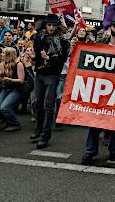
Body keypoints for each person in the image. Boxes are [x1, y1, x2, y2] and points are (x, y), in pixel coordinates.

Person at [81, 20, 115, 165]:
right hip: (99, 88)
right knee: (94, 121)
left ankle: (113, 151)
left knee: (113, 122)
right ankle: (90, 151)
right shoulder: (101, 42)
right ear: (110, 28)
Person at [30, 14, 70, 149]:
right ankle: (39, 129)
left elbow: (62, 61)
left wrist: (48, 58)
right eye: (49, 25)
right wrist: (34, 57)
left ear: (58, 26)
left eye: (54, 25)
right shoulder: (38, 38)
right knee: (36, 103)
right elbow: (36, 56)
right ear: (45, 25)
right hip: (40, 73)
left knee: (48, 105)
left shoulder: (64, 41)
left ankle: (45, 135)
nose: (51, 28)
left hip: (53, 75)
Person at [0, 47, 25, 132]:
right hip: (6, 88)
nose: (1, 54)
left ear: (9, 55)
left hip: (16, 89)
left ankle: (15, 124)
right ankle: (8, 121)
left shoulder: (18, 64)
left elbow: (21, 80)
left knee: (5, 107)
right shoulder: (2, 64)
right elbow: (2, 78)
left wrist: (10, 79)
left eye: (3, 53)